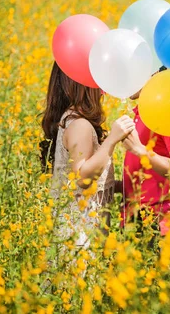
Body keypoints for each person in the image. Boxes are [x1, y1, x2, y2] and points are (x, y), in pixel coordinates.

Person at [39, 62, 134, 248]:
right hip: (78, 234)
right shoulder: (80, 125)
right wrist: (112, 140)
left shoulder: (72, 118)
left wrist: (120, 187)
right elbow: (82, 177)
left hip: (80, 229)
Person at [121, 66, 170, 237]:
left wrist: (140, 150)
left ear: (153, 73)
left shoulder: (169, 111)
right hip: (135, 217)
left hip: (158, 225)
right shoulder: (145, 111)